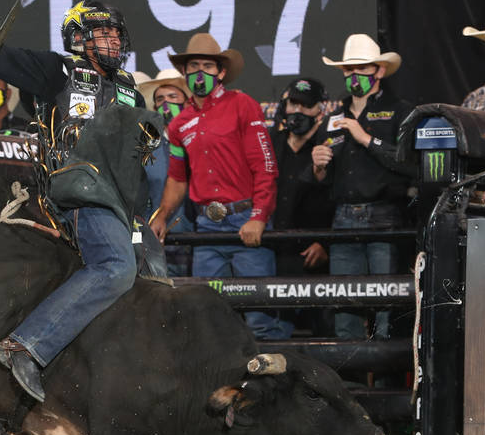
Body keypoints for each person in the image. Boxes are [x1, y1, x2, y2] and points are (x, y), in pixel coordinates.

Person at [0, 0, 149, 402]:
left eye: (114, 31)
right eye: (100, 31)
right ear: (78, 37)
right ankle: (25, 347)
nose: (111, 38)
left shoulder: (130, 88)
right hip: (79, 195)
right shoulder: (55, 70)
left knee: (153, 284)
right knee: (114, 268)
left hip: (125, 206)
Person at [148, 33, 287, 340]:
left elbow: (264, 165)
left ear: (221, 72)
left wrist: (259, 215)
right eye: (193, 65)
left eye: (207, 65)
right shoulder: (178, 124)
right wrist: (162, 214)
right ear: (185, 72)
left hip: (244, 219)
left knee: (260, 319)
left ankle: (269, 388)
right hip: (207, 227)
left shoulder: (243, 105)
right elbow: (177, 178)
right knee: (207, 320)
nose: (200, 72)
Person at [311, 33, 413, 342]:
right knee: (345, 309)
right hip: (342, 218)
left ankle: (386, 389)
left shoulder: (401, 111)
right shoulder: (332, 118)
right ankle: (351, 389)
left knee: (386, 312)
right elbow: (323, 182)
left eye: (362, 68)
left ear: (379, 71)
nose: (355, 75)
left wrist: (365, 137)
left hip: (385, 216)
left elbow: (410, 164)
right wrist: (318, 165)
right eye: (348, 69)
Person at [269, 77, 334, 336]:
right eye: (293, 104)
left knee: (325, 329)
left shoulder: (331, 143)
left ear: (320, 109)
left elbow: (341, 194)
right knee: (275, 328)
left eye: (306, 105)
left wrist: (326, 243)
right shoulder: (270, 141)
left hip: (315, 253)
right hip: (275, 250)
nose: (298, 111)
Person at [136, 68, 193, 276]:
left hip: (201, 239)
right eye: (160, 98)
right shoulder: (147, 148)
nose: (166, 103)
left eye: (172, 96)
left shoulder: (200, 141)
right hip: (160, 240)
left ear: (187, 101)